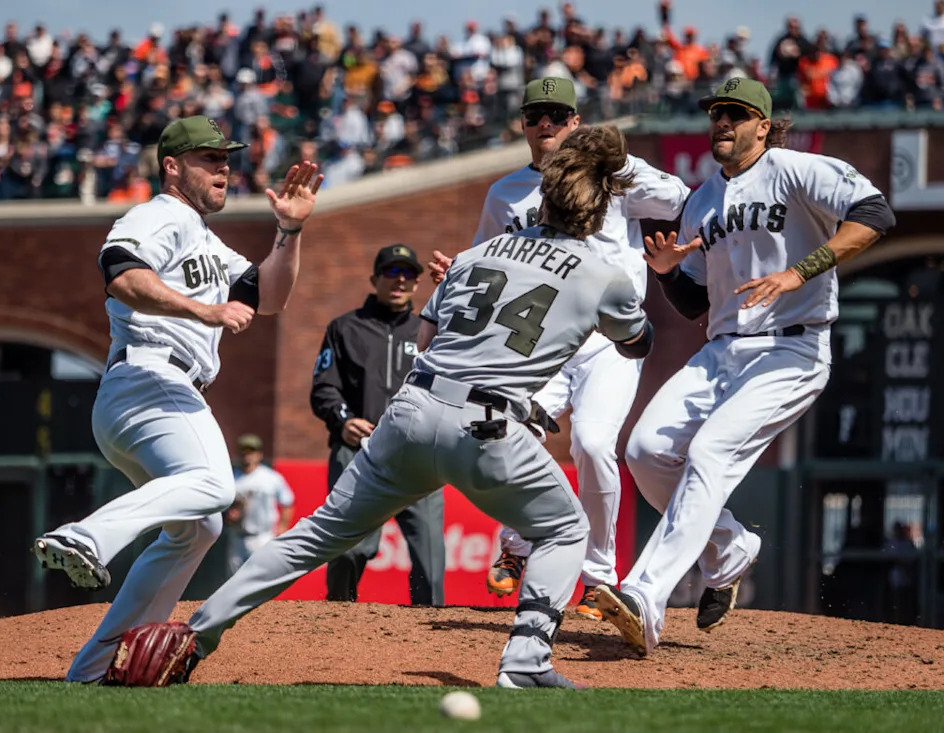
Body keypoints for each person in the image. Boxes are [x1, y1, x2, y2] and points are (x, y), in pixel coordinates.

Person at [135, 124, 654, 690]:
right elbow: (636, 343)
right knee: (564, 528)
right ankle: (526, 664)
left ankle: (194, 633)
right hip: (486, 425)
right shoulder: (605, 273)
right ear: (601, 203)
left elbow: (439, 340)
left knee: (317, 535)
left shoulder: (475, 254)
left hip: (410, 409)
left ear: (546, 194)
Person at [593, 78, 896, 656]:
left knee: (709, 453)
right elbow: (695, 303)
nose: (722, 122)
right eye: (716, 113)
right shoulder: (703, 200)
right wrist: (663, 271)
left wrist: (798, 272)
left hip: (792, 347)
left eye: (735, 113)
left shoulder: (793, 168)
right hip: (722, 349)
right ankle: (728, 549)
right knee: (645, 451)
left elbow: (874, 213)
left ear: (763, 124)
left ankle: (644, 595)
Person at [32, 115, 324, 682]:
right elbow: (120, 273)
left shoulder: (206, 239)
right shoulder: (157, 215)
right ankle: (86, 535)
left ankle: (93, 669)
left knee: (200, 527)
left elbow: (268, 298)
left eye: (227, 158)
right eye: (209, 158)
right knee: (217, 486)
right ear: (172, 166)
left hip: (156, 393)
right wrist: (203, 310)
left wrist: (288, 233)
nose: (224, 168)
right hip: (150, 379)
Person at [429, 77, 688, 620]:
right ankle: (519, 544)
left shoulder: (613, 179)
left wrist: (617, 166)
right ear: (522, 124)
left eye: (557, 114)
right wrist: (456, 272)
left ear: (576, 121)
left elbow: (680, 199)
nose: (545, 123)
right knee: (506, 433)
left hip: (607, 342)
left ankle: (598, 578)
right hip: (539, 340)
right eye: (535, 115)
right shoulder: (506, 192)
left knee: (593, 445)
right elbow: (487, 254)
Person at [310, 244, 445, 606]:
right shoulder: (345, 327)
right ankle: (337, 616)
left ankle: (428, 635)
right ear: (374, 279)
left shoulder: (432, 331)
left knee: (431, 563)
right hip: (359, 451)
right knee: (349, 549)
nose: (399, 280)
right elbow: (324, 387)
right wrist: (343, 421)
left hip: (418, 456)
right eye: (391, 272)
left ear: (417, 283)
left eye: (407, 273)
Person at [224, 434, 296, 576]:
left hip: (262, 536)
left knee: (260, 580)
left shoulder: (270, 477)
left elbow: (288, 502)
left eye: (251, 451)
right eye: (244, 451)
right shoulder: (231, 477)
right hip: (237, 537)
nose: (247, 455)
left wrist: (282, 527)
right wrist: (228, 515)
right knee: (233, 583)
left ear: (259, 454)